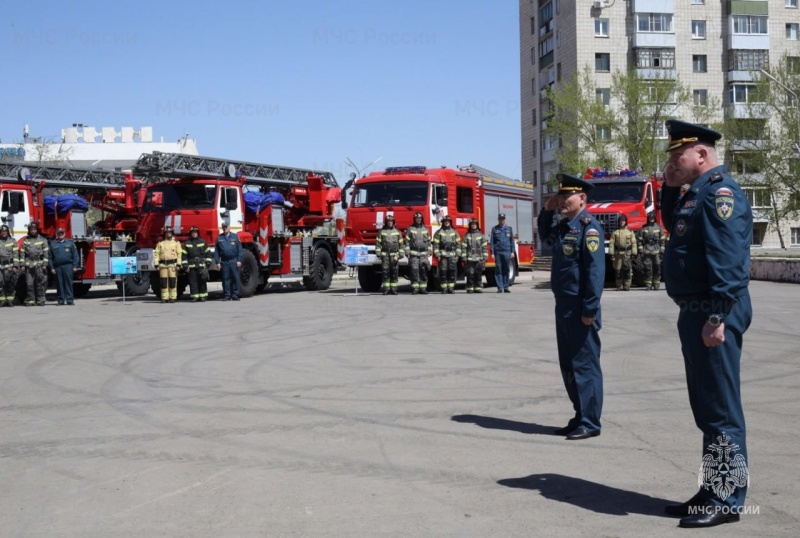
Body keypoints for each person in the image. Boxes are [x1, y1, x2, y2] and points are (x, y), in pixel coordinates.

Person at [661, 119, 753, 528]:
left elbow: (729, 263)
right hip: (697, 311)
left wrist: (717, 316)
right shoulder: (694, 195)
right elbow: (674, 225)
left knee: (720, 409)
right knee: (707, 408)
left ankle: (728, 498)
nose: (671, 161)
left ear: (701, 154)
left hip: (714, 312)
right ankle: (712, 488)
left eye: (676, 155)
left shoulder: (720, 195)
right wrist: (666, 185)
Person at [537, 173, 605, 440]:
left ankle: (590, 421)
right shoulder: (565, 227)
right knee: (568, 364)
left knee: (585, 365)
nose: (562, 200)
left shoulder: (589, 228)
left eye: (567, 196)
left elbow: (595, 272)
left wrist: (589, 309)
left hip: (580, 307)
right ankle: (580, 415)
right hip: (563, 304)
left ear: (582, 198)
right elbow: (544, 235)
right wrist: (546, 209)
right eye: (560, 196)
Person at [18, 222, 49, 306]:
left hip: (39, 265)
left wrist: (45, 264)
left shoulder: (43, 240)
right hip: (29, 266)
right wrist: (23, 265)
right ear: (29, 230)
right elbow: (22, 254)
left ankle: (40, 299)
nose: (33, 231)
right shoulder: (26, 241)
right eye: (31, 229)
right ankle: (30, 300)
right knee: (29, 283)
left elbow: (46, 253)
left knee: (39, 283)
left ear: (37, 230)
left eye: (35, 229)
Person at [48, 227, 79, 305]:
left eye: (62, 233)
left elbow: (75, 255)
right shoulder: (53, 244)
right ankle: (61, 300)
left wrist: (75, 266)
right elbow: (49, 257)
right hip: (58, 267)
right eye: (59, 233)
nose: (60, 234)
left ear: (64, 233)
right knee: (59, 284)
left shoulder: (70, 243)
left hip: (68, 266)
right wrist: (52, 268)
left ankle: (69, 300)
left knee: (68, 283)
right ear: (57, 234)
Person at [181, 226, 212, 302]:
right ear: (190, 233)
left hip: (201, 265)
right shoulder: (187, 243)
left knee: (202, 281)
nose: (194, 234)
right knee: (193, 282)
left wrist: (207, 264)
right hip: (191, 266)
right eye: (192, 232)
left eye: (195, 232)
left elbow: (208, 254)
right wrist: (185, 266)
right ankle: (195, 296)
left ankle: (203, 296)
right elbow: (184, 256)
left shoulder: (202, 242)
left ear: (197, 233)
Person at [375, 214, 404, 295]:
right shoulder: (381, 232)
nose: (390, 222)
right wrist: (378, 252)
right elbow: (378, 243)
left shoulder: (398, 232)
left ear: (393, 222)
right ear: (386, 222)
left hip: (395, 255)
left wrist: (401, 254)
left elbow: (401, 244)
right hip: (385, 256)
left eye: (391, 221)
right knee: (385, 272)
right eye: (388, 221)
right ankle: (386, 289)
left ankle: (394, 289)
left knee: (394, 272)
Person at [432, 214, 461, 294]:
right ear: (443, 222)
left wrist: (458, 254)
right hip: (443, 255)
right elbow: (436, 245)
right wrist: (437, 255)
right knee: (443, 272)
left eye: (448, 221)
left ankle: (451, 288)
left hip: (452, 254)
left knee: (452, 272)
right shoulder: (439, 232)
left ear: (450, 222)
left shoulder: (454, 232)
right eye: (445, 221)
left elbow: (458, 243)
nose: (447, 223)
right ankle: (444, 288)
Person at [214, 222, 243, 300]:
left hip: (234, 260)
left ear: (229, 227)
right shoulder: (219, 238)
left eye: (226, 227)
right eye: (223, 227)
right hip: (224, 261)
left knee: (235, 278)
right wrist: (217, 262)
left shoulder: (235, 237)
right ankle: (227, 295)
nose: (225, 228)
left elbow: (239, 250)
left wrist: (239, 260)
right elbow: (216, 252)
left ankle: (235, 295)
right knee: (225, 278)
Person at [609, 214, 637, 290]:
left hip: (627, 253)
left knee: (627, 269)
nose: (622, 222)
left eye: (623, 221)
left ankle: (627, 285)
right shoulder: (615, 231)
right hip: (618, 254)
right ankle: (619, 285)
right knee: (618, 270)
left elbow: (634, 242)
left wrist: (634, 253)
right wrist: (611, 254)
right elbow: (611, 243)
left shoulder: (630, 231)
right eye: (621, 221)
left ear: (626, 222)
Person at [404, 212, 431, 295]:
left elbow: (429, 241)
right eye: (416, 218)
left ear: (421, 219)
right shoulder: (410, 229)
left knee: (423, 270)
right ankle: (415, 288)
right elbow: (407, 241)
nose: (418, 220)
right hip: (414, 253)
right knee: (414, 270)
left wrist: (429, 251)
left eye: (419, 218)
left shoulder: (425, 229)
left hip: (423, 253)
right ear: (414, 219)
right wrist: (407, 252)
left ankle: (423, 288)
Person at [154, 226, 182, 303]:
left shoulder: (176, 243)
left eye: (170, 232)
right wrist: (156, 264)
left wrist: (179, 264)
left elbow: (179, 254)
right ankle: (164, 297)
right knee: (163, 282)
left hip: (173, 265)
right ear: (165, 234)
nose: (168, 234)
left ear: (172, 233)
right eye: (167, 232)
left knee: (173, 282)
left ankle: (173, 297)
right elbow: (156, 254)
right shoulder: (160, 243)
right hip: (163, 266)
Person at [638, 212, 665, 291]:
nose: (651, 219)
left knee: (657, 267)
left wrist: (662, 250)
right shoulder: (643, 228)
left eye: (652, 218)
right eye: (650, 218)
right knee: (647, 268)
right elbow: (639, 240)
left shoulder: (659, 228)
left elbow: (662, 240)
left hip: (656, 250)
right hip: (647, 250)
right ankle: (648, 284)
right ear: (648, 218)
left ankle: (656, 283)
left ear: (655, 218)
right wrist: (640, 250)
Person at [490, 213, 515, 292]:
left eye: (503, 218)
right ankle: (500, 287)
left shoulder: (509, 229)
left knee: (506, 269)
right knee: (498, 269)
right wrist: (492, 253)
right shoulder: (494, 229)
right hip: (498, 252)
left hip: (507, 251)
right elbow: (492, 242)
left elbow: (512, 241)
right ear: (498, 219)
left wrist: (512, 252)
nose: (502, 220)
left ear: (505, 219)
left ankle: (506, 287)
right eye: (500, 218)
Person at [462, 218, 488, 293]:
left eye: (475, 224)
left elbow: (484, 247)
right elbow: (464, 247)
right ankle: (470, 287)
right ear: (470, 225)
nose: (473, 225)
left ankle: (478, 287)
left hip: (479, 258)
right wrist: (464, 257)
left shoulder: (481, 235)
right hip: (470, 258)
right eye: (472, 224)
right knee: (470, 273)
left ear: (477, 225)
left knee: (478, 273)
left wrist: (485, 257)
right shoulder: (466, 235)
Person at [0, 225, 19, 307]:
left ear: (7, 232)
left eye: (5, 231)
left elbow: (15, 254)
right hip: (0, 266)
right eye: (2, 231)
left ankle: (10, 300)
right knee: (0, 283)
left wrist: (15, 266)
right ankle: (2, 300)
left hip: (9, 266)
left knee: (9, 283)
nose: (4, 233)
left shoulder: (13, 241)